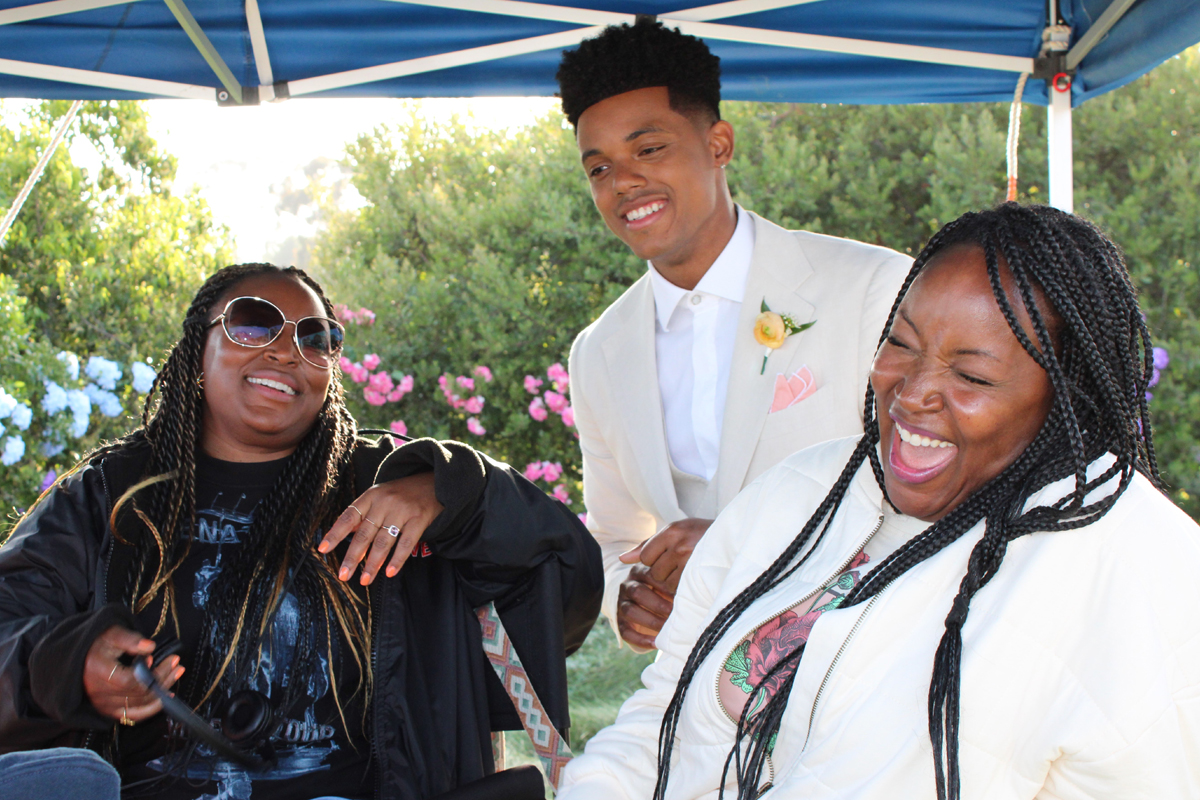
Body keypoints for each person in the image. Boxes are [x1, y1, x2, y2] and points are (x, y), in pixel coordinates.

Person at [558, 203, 1200, 800]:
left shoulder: (1126, 566)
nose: (913, 392)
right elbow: (660, 714)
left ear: (1067, 394)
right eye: (901, 343)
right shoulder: (802, 490)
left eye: (971, 376)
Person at [0, 263, 603, 800]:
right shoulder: (109, 496)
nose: (287, 351)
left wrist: (455, 495)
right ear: (197, 348)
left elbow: (566, 584)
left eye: (317, 339)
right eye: (254, 324)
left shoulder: (390, 485)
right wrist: (69, 666)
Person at [557, 19, 911, 649]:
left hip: (863, 667)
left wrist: (735, 551)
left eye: (648, 149)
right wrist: (628, 600)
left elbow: (932, 494)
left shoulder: (871, 289)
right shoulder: (598, 354)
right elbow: (616, 540)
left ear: (719, 143)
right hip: (699, 694)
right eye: (598, 168)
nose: (623, 183)